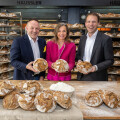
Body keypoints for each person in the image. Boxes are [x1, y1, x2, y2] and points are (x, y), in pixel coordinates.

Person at [76, 13, 114, 81]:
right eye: (88, 21)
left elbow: (110, 60)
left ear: (98, 23)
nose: (91, 24)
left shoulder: (105, 39)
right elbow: (79, 55)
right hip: (82, 76)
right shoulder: (82, 38)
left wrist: (95, 67)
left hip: (97, 77)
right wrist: (79, 61)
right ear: (85, 23)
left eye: (94, 22)